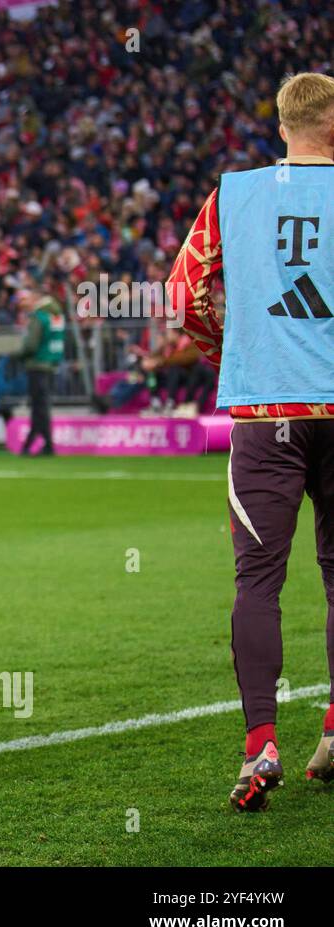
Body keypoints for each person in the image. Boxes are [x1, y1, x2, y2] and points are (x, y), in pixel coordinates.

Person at [166, 71, 334, 812]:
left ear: (282, 128)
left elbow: (186, 293)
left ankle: (259, 743)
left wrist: (224, 354)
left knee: (257, 582)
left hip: (265, 413)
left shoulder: (233, 193)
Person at [16, 286, 65, 456]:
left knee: (39, 407)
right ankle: (35, 444)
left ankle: (47, 444)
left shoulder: (39, 317)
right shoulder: (56, 315)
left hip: (38, 364)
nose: (24, 303)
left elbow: (31, 345)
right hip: (51, 364)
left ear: (36, 298)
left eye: (27, 298)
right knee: (41, 406)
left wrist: (18, 355)